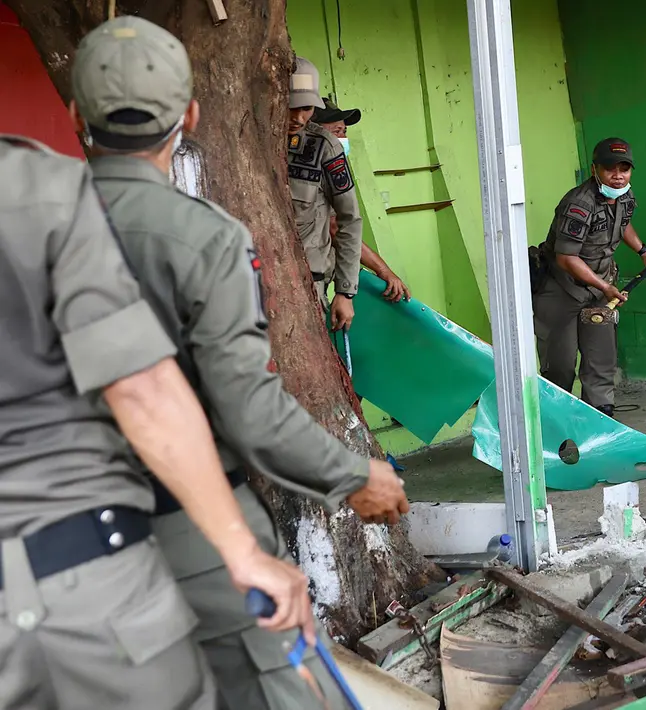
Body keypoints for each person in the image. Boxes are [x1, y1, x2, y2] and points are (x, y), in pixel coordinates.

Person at [68, 17, 411, 710]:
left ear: (76, 116)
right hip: (187, 533)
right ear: (190, 115)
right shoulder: (204, 239)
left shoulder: (30, 229)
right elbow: (248, 410)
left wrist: (344, 290)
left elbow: (348, 223)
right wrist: (353, 474)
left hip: (56, 555)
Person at [0, 134, 313, 708]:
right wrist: (242, 553)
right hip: (89, 579)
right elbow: (142, 390)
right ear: (186, 119)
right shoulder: (40, 186)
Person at [533, 138, 646, 417]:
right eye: (609, 169)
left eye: (624, 169)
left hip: (598, 289)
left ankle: (600, 416)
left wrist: (644, 251)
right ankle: (556, 422)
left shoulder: (624, 195)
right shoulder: (579, 203)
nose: (617, 176)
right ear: (595, 170)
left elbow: (622, 222)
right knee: (561, 365)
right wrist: (606, 287)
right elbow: (566, 258)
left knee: (601, 358)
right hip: (562, 291)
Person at [288, 58, 363, 329]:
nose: (298, 118)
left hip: (309, 284)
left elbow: (349, 220)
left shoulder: (325, 148)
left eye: (306, 109)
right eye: (290, 108)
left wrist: (345, 292)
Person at [314, 97, 411, 302]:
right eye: (336, 132)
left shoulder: (330, 169)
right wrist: (383, 270)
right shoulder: (313, 172)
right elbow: (335, 227)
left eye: (344, 132)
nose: (342, 138)